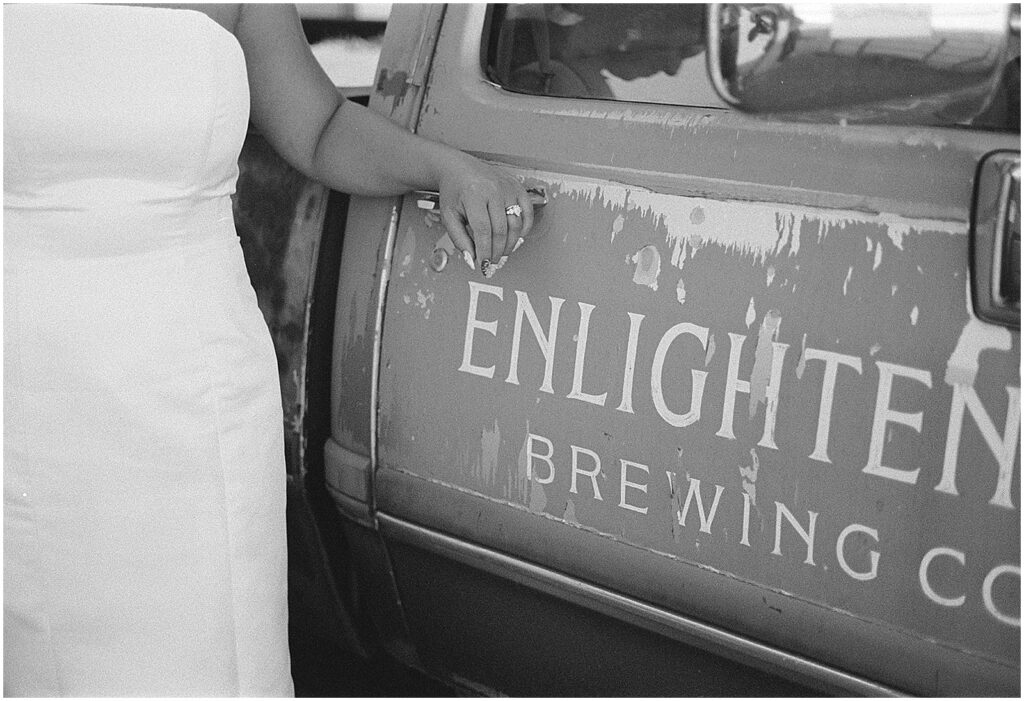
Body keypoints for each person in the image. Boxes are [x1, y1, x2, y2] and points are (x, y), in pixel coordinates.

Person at [3, 3, 532, 696]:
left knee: (210, 642)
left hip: (198, 384)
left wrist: (445, 167)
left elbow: (320, 130)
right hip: (28, 375)